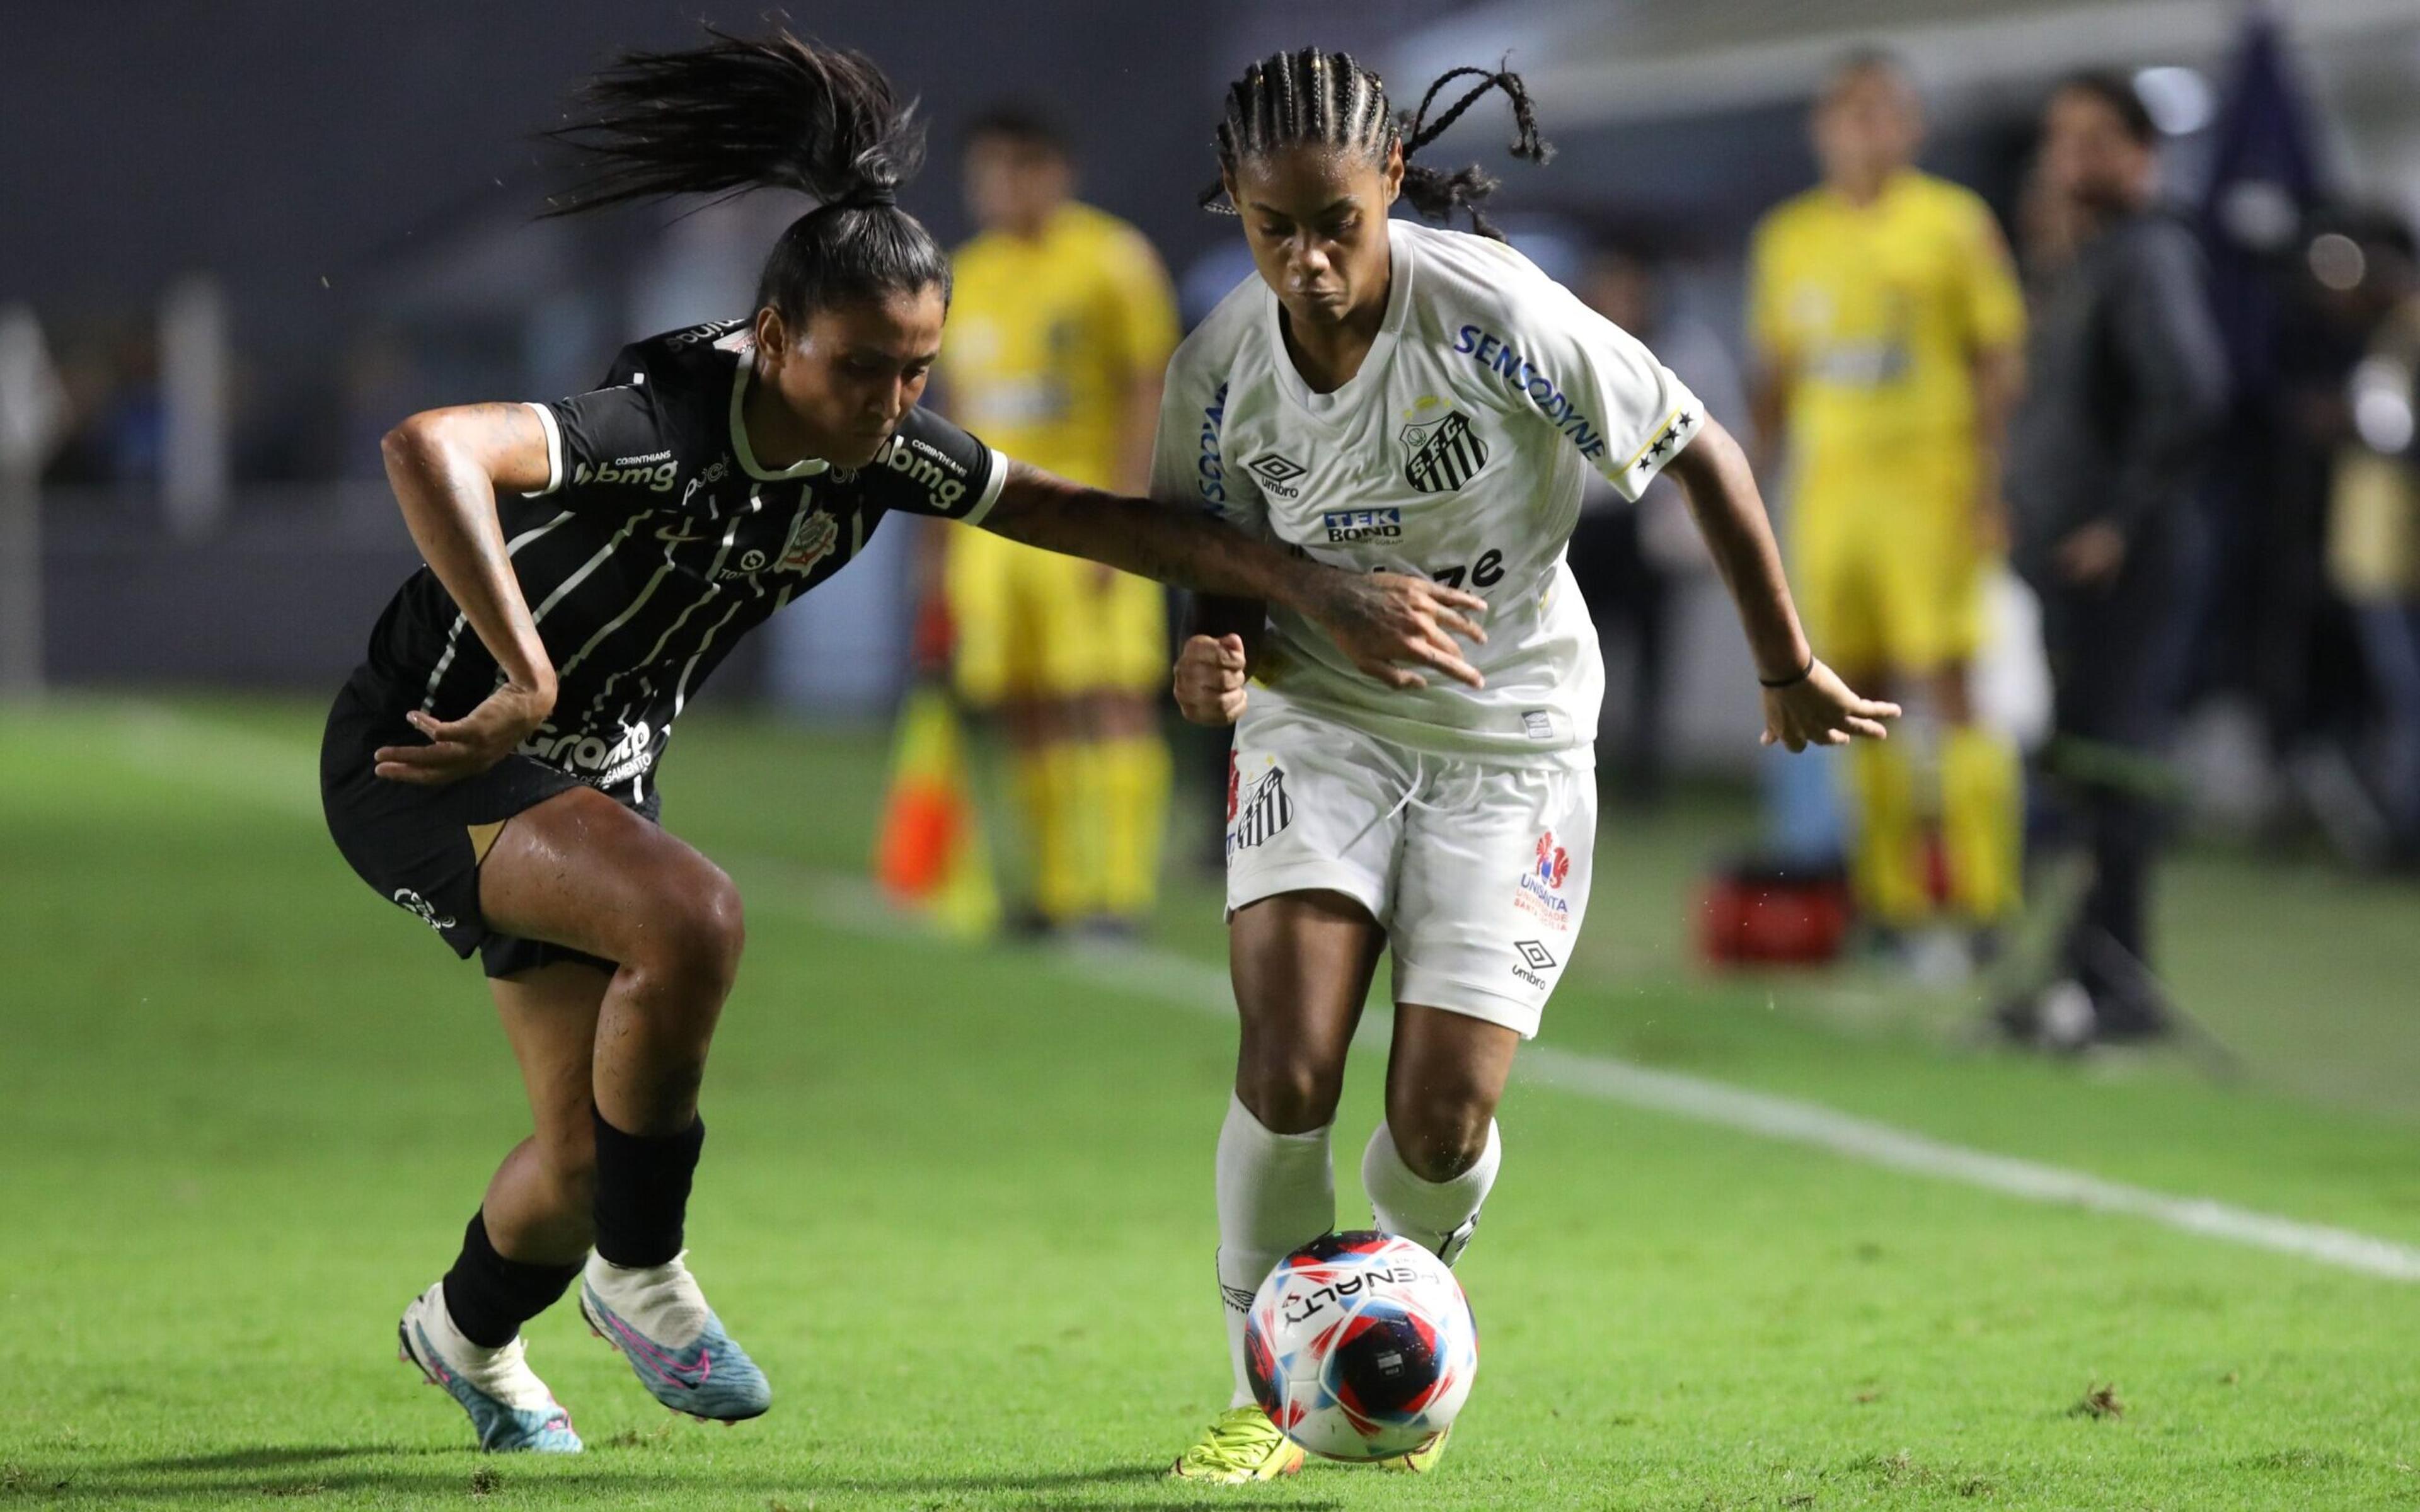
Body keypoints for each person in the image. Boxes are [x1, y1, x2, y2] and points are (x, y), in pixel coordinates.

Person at [318, 28, 1489, 1455]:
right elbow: (430, 445)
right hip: (439, 748)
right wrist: (517, 668)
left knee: (576, 1154)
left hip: (596, 764)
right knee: (691, 914)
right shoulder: (666, 422)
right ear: (770, 338)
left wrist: (1311, 584)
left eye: (918, 370)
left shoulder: (886, 448)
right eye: (863, 368)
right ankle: (642, 1273)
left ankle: (463, 1331)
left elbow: (1092, 514)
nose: (892, 404)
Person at [1156, 49, 1898, 1482]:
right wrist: (1217, 644)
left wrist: (1781, 660)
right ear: (1233, 209)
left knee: (1438, 1117)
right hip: (1325, 724)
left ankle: (1398, 1304)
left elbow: (1698, 450)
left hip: (1511, 734)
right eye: (1271, 227)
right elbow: (1209, 541)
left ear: (1387, 186)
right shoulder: (1216, 371)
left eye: (1335, 220)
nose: (1306, 260)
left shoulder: (1492, 314)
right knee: (1290, 1054)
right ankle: (1271, 1383)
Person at [1747, 50, 2028, 964]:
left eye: (1883, 113)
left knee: (1950, 687)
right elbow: (1777, 382)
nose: (1865, 131)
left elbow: (1997, 362)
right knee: (1853, 696)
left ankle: (1985, 899)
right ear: (1822, 129)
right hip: (1831, 499)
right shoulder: (1790, 238)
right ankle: (1891, 901)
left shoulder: (1953, 224)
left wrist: (1991, 485)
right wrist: (1746, 487)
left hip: (1929, 490)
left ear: (1912, 126)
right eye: (1849, 114)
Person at [2000, 72, 2227, 1048]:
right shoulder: (2084, 260)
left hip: (2127, 559)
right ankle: (2089, 972)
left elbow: (2194, 393)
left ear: (2141, 153)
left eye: (2096, 140)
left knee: (2119, 762)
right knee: (2087, 767)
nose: (2073, 159)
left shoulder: (2149, 253)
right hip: (2074, 558)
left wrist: (2120, 521)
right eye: (2063, 138)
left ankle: (2116, 986)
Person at [928, 106, 1183, 934]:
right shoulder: (964, 276)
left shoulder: (1112, 260)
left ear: (1055, 172)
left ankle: (1119, 894)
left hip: (1085, 512)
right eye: (987, 174)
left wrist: (1127, 515)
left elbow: (1147, 388)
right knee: (1023, 704)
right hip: (992, 530)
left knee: (1107, 695)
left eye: (1018, 170)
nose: (1001, 190)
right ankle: (1053, 892)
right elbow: (956, 415)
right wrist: (936, 548)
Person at [1564, 243, 1739, 807]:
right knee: (1574, 653)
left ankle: (1643, 779)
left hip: (1651, 525)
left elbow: (1714, 434)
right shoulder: (1569, 343)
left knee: (1652, 658)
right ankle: (1571, 772)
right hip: (1583, 523)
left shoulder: (1685, 351)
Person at [2320, 211, 2420, 868]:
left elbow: (2395, 434)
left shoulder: (2407, 331)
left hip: (2394, 550)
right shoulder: (2389, 332)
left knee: (2406, 697)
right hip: (2378, 552)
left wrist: (2349, 421)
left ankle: (2401, 835)